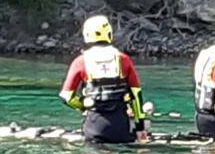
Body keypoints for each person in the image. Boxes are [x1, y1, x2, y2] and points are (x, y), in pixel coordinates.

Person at [59, 15, 148, 144]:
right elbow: (136, 96)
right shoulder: (123, 59)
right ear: (109, 33)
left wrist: (83, 106)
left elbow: (66, 96)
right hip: (121, 128)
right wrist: (140, 128)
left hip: (95, 127)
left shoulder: (80, 61)